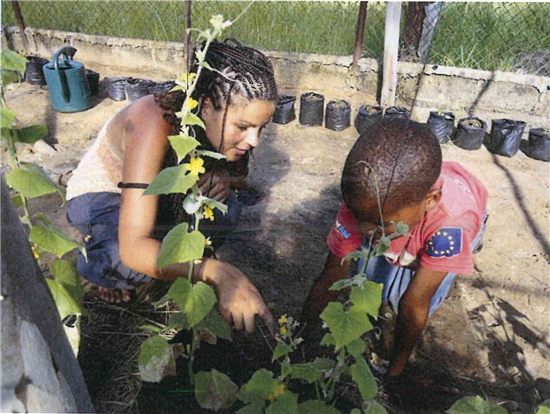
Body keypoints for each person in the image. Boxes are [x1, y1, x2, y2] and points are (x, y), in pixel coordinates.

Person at [66, 39, 278, 336]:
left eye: (261, 128)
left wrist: (224, 178)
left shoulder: (226, 128)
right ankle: (100, 268)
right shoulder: (154, 123)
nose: (254, 140)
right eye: (242, 127)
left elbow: (239, 176)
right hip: (106, 195)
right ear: (205, 105)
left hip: (161, 194)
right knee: (124, 261)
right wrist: (218, 272)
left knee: (225, 208)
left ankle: (174, 261)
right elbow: (133, 248)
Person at [301, 119, 488, 379]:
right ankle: (401, 248)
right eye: (359, 218)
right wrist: (298, 339)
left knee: (411, 298)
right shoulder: (363, 204)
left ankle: (463, 247)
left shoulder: (450, 227)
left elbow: (414, 306)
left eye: (378, 223)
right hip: (410, 204)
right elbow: (331, 275)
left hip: (455, 213)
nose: (365, 230)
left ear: (430, 200)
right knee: (377, 287)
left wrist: (394, 374)